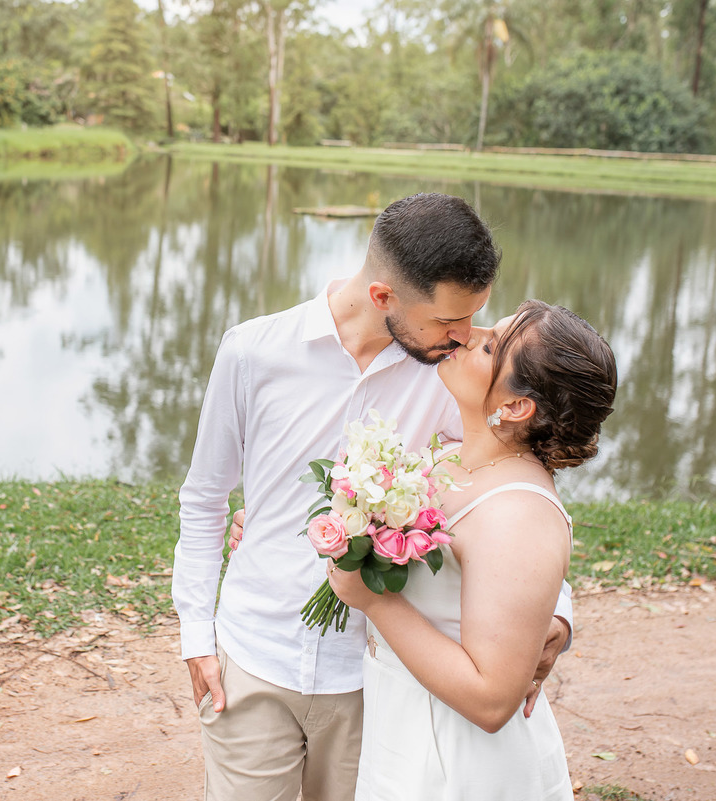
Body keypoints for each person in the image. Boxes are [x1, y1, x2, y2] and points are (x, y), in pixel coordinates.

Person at [172, 193, 572, 801]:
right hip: (253, 657)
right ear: (384, 296)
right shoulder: (252, 352)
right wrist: (197, 636)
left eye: (472, 317)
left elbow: (511, 498)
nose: (464, 337)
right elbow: (204, 499)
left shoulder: (454, 382)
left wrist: (559, 616)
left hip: (375, 680)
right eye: (447, 321)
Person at [327, 299, 617, 799]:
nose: (465, 335)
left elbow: (490, 700)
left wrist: (373, 598)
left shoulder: (519, 515)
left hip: (462, 767)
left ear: (515, 407)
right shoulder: (450, 457)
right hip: (404, 725)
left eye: (490, 345)